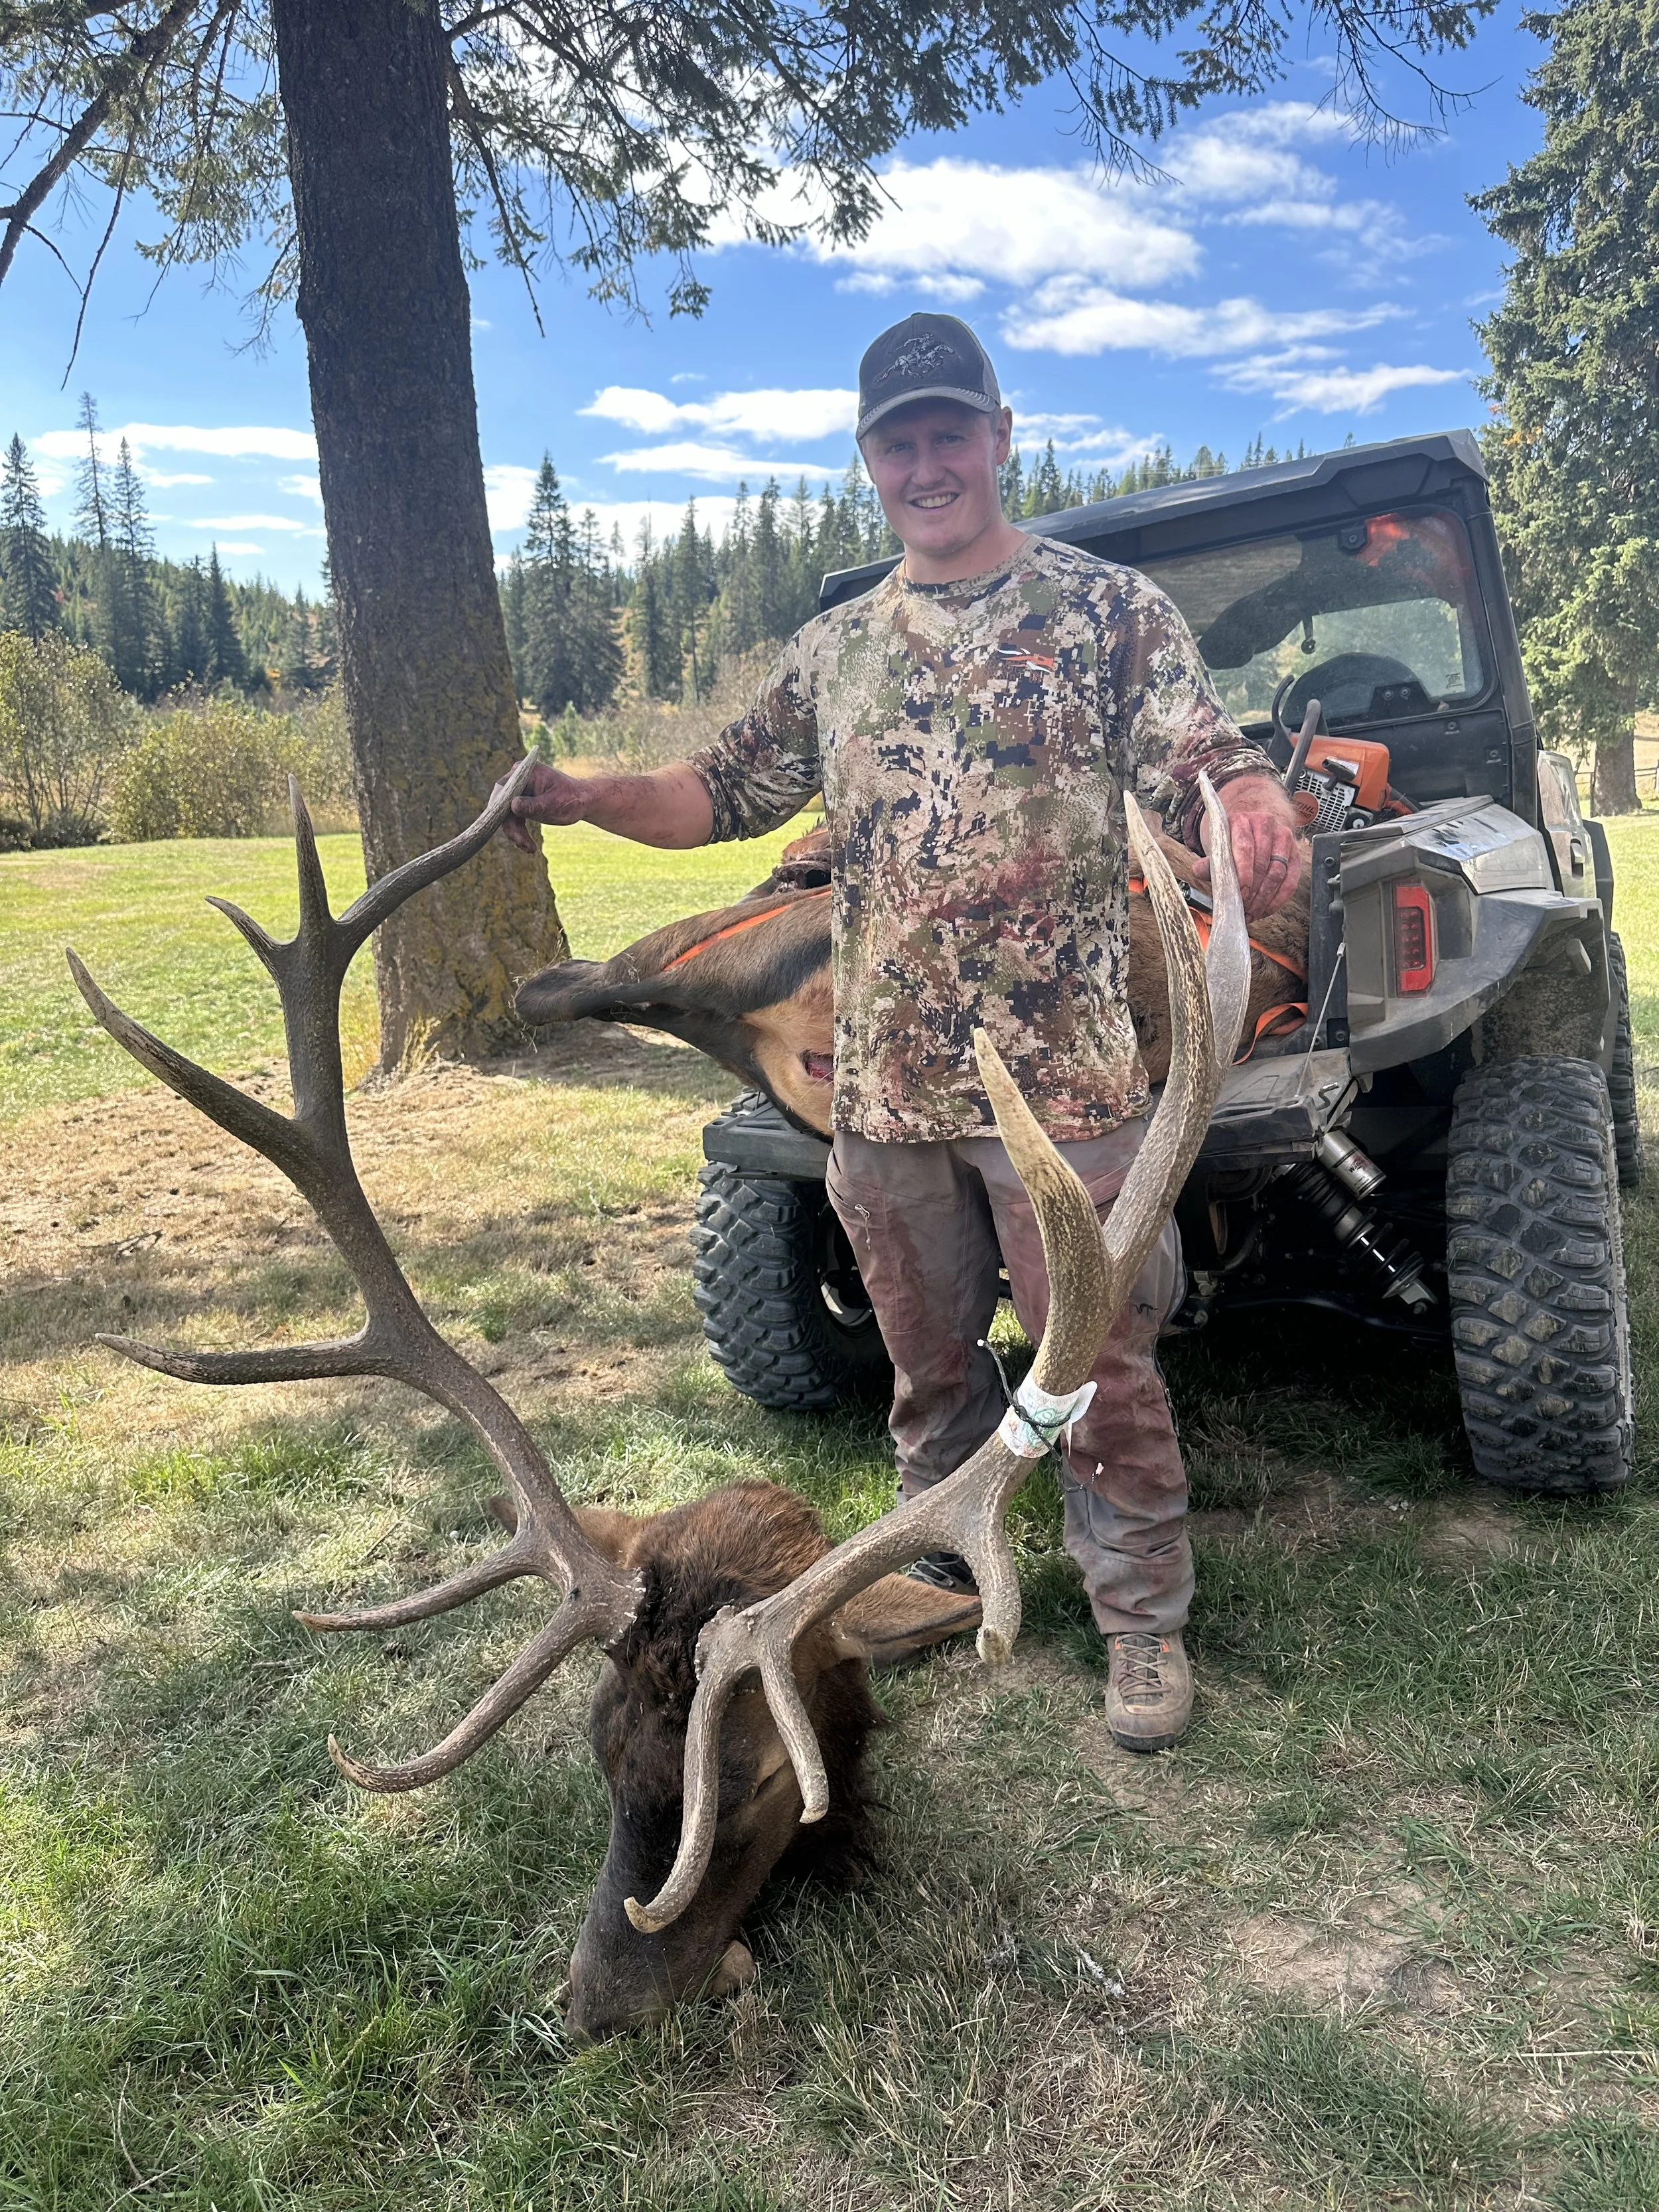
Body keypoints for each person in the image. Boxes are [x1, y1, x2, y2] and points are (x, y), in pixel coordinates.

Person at [498, 313, 1298, 1752]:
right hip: (884, 1095)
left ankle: (1136, 1621)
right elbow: (710, 794)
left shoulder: (1102, 611)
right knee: (926, 1367)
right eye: (896, 440)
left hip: (1068, 1085)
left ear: (997, 435)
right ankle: (938, 1568)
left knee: (1095, 1359)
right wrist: (586, 791)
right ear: (869, 462)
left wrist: (1243, 801)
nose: (925, 462)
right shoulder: (838, 650)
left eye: (948, 431)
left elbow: (1201, 753)